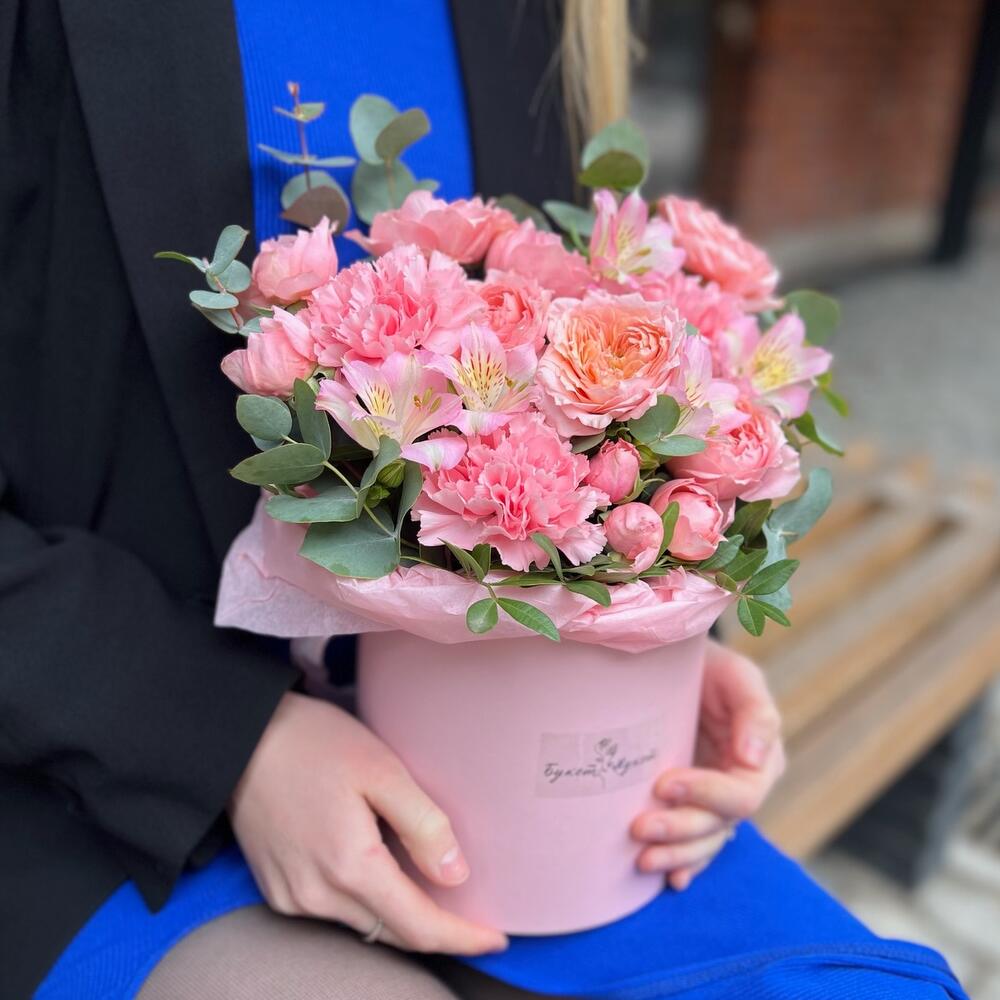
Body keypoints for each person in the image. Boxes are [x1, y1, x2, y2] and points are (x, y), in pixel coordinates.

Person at [0, 3, 968, 1000]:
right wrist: (228, 743)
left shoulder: (552, 19)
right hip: (92, 758)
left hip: (514, 747)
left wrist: (660, 637)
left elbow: (578, 386)